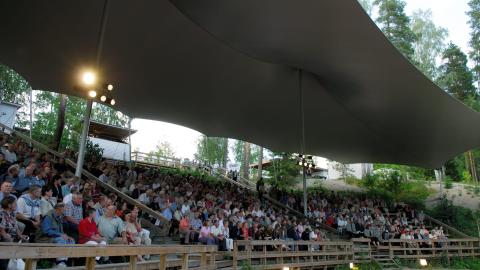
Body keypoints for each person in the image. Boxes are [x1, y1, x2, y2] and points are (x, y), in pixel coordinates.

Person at [37, 203, 75, 267]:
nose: (65, 211)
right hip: (44, 238)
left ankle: (62, 262)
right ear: (59, 209)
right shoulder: (48, 216)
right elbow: (46, 230)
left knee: (71, 241)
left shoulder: (59, 217)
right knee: (61, 239)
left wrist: (67, 237)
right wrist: (60, 235)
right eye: (64, 209)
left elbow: (61, 232)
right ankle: (60, 263)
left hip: (54, 237)